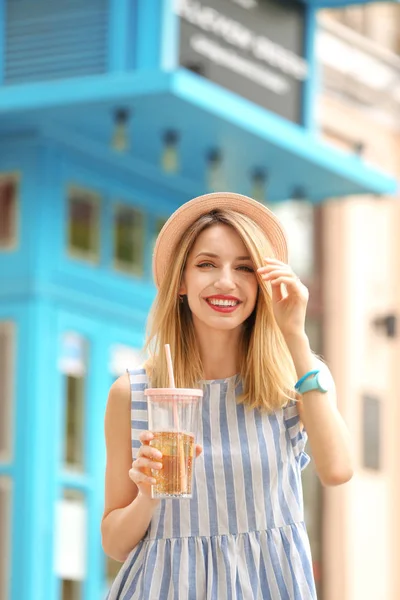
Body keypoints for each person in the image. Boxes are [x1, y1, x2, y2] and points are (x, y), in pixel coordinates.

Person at [102, 192, 353, 599]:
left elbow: (338, 469)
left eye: (244, 268)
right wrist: (147, 496)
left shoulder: (297, 379)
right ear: (180, 282)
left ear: (263, 284)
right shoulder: (134, 394)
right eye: (206, 264)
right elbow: (114, 544)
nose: (226, 282)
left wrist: (294, 334)